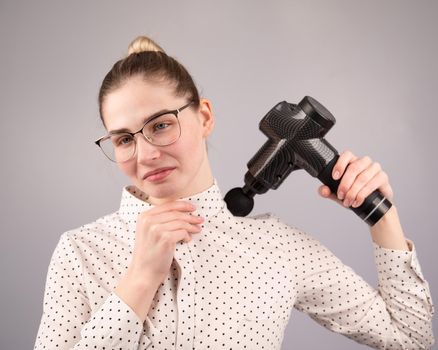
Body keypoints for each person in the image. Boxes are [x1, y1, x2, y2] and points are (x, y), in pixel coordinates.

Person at [34, 35, 434, 350]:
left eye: (160, 125)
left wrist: (382, 216)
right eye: (124, 139)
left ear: (204, 116)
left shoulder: (276, 248)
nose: (146, 154)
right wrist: (140, 280)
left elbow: (412, 339)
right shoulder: (83, 251)